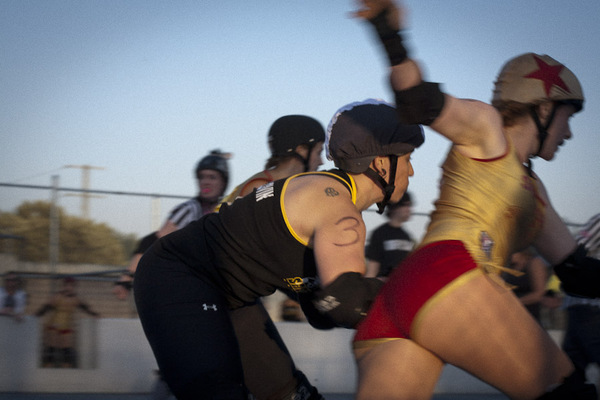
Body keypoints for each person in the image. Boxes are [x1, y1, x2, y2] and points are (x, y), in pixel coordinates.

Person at [351, 1, 599, 399]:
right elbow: (416, 100)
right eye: (568, 118)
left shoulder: (535, 194)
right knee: (569, 394)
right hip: (448, 273)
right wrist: (388, 33)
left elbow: (580, 274)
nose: (568, 133)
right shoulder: (489, 130)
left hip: (404, 295)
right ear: (545, 108)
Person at [133, 98, 424, 399]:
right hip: (180, 277)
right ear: (381, 162)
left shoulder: (326, 194)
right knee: (221, 392)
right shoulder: (337, 208)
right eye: (408, 158)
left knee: (290, 394)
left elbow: (323, 309)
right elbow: (345, 303)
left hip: (230, 295)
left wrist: (366, 293)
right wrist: (416, 300)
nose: (412, 171)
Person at [221, 114, 328, 399]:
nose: (322, 161)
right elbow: (264, 257)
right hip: (221, 297)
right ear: (301, 150)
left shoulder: (281, 190)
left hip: (233, 297)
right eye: (318, 151)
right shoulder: (259, 188)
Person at [113, 149, 231, 298]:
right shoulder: (188, 209)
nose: (205, 182)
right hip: (183, 286)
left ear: (223, 183)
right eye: (202, 177)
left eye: (212, 177)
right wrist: (127, 276)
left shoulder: (225, 213)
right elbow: (152, 242)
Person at [562, 213, 600, 389]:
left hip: (587, 306)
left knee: (573, 364)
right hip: (584, 306)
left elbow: (575, 250)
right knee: (572, 366)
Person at [36, 276, 100, 368]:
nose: (69, 287)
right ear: (64, 286)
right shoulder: (58, 296)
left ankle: (66, 367)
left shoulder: (75, 298)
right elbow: (47, 306)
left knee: (66, 348)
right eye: (67, 285)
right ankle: (48, 365)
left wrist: (94, 314)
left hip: (66, 326)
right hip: (54, 325)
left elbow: (84, 307)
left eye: (71, 286)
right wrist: (38, 314)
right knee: (52, 347)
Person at [365, 191, 415, 279]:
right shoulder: (380, 233)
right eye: (405, 205)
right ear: (394, 208)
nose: (408, 209)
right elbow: (372, 269)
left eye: (409, 205)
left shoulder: (406, 236)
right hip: (383, 284)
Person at [501, 248, 549, 322]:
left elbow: (539, 294)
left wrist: (515, 302)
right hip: (511, 314)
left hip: (528, 313)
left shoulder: (534, 263)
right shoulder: (508, 266)